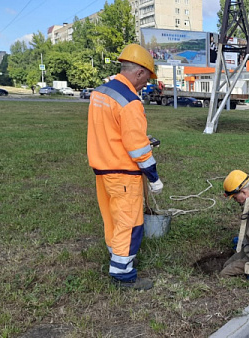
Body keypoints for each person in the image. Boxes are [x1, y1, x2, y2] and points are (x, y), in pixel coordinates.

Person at [87, 43, 162, 290]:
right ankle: (123, 273)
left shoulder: (101, 93)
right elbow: (138, 148)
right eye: (147, 78)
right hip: (124, 174)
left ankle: (116, 255)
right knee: (130, 223)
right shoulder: (130, 101)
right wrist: (153, 176)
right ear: (139, 72)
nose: (146, 84)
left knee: (112, 219)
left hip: (102, 170)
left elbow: (111, 131)